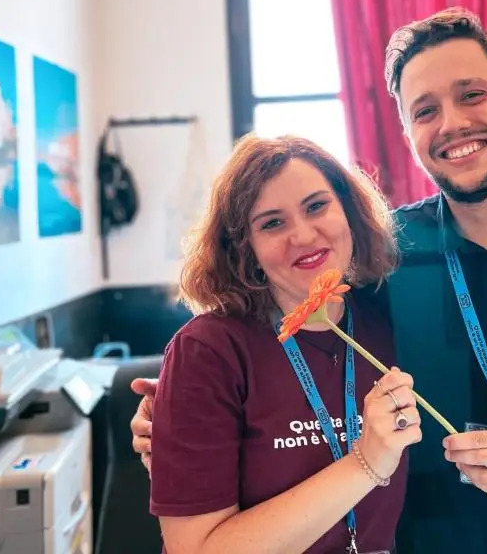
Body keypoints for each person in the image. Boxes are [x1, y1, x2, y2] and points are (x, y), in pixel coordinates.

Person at [133, 8, 487, 553]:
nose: (453, 123)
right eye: (425, 110)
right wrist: (185, 416)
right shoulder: (383, 255)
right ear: (409, 137)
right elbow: (300, 348)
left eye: (472, 94)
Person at [146, 134, 422, 554]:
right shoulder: (208, 351)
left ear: (348, 211)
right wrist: (365, 463)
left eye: (316, 206)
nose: (304, 235)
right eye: (272, 223)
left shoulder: (390, 315)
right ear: (246, 249)